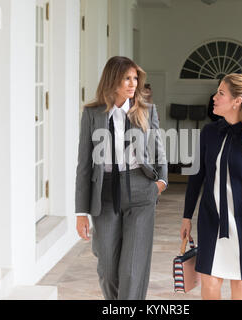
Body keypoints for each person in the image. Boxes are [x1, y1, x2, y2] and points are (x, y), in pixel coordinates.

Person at [75, 56, 168, 300]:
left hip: (140, 190)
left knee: (132, 270)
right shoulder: (92, 114)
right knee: (107, 267)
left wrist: (161, 182)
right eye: (126, 78)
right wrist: (80, 212)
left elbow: (158, 150)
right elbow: (84, 164)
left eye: (135, 78)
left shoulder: (146, 111)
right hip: (104, 194)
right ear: (112, 80)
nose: (133, 84)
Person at [180, 73, 242, 300]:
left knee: (240, 284)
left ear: (236, 101)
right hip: (211, 219)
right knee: (209, 282)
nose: (214, 97)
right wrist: (186, 216)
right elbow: (196, 177)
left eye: (221, 93)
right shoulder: (209, 133)